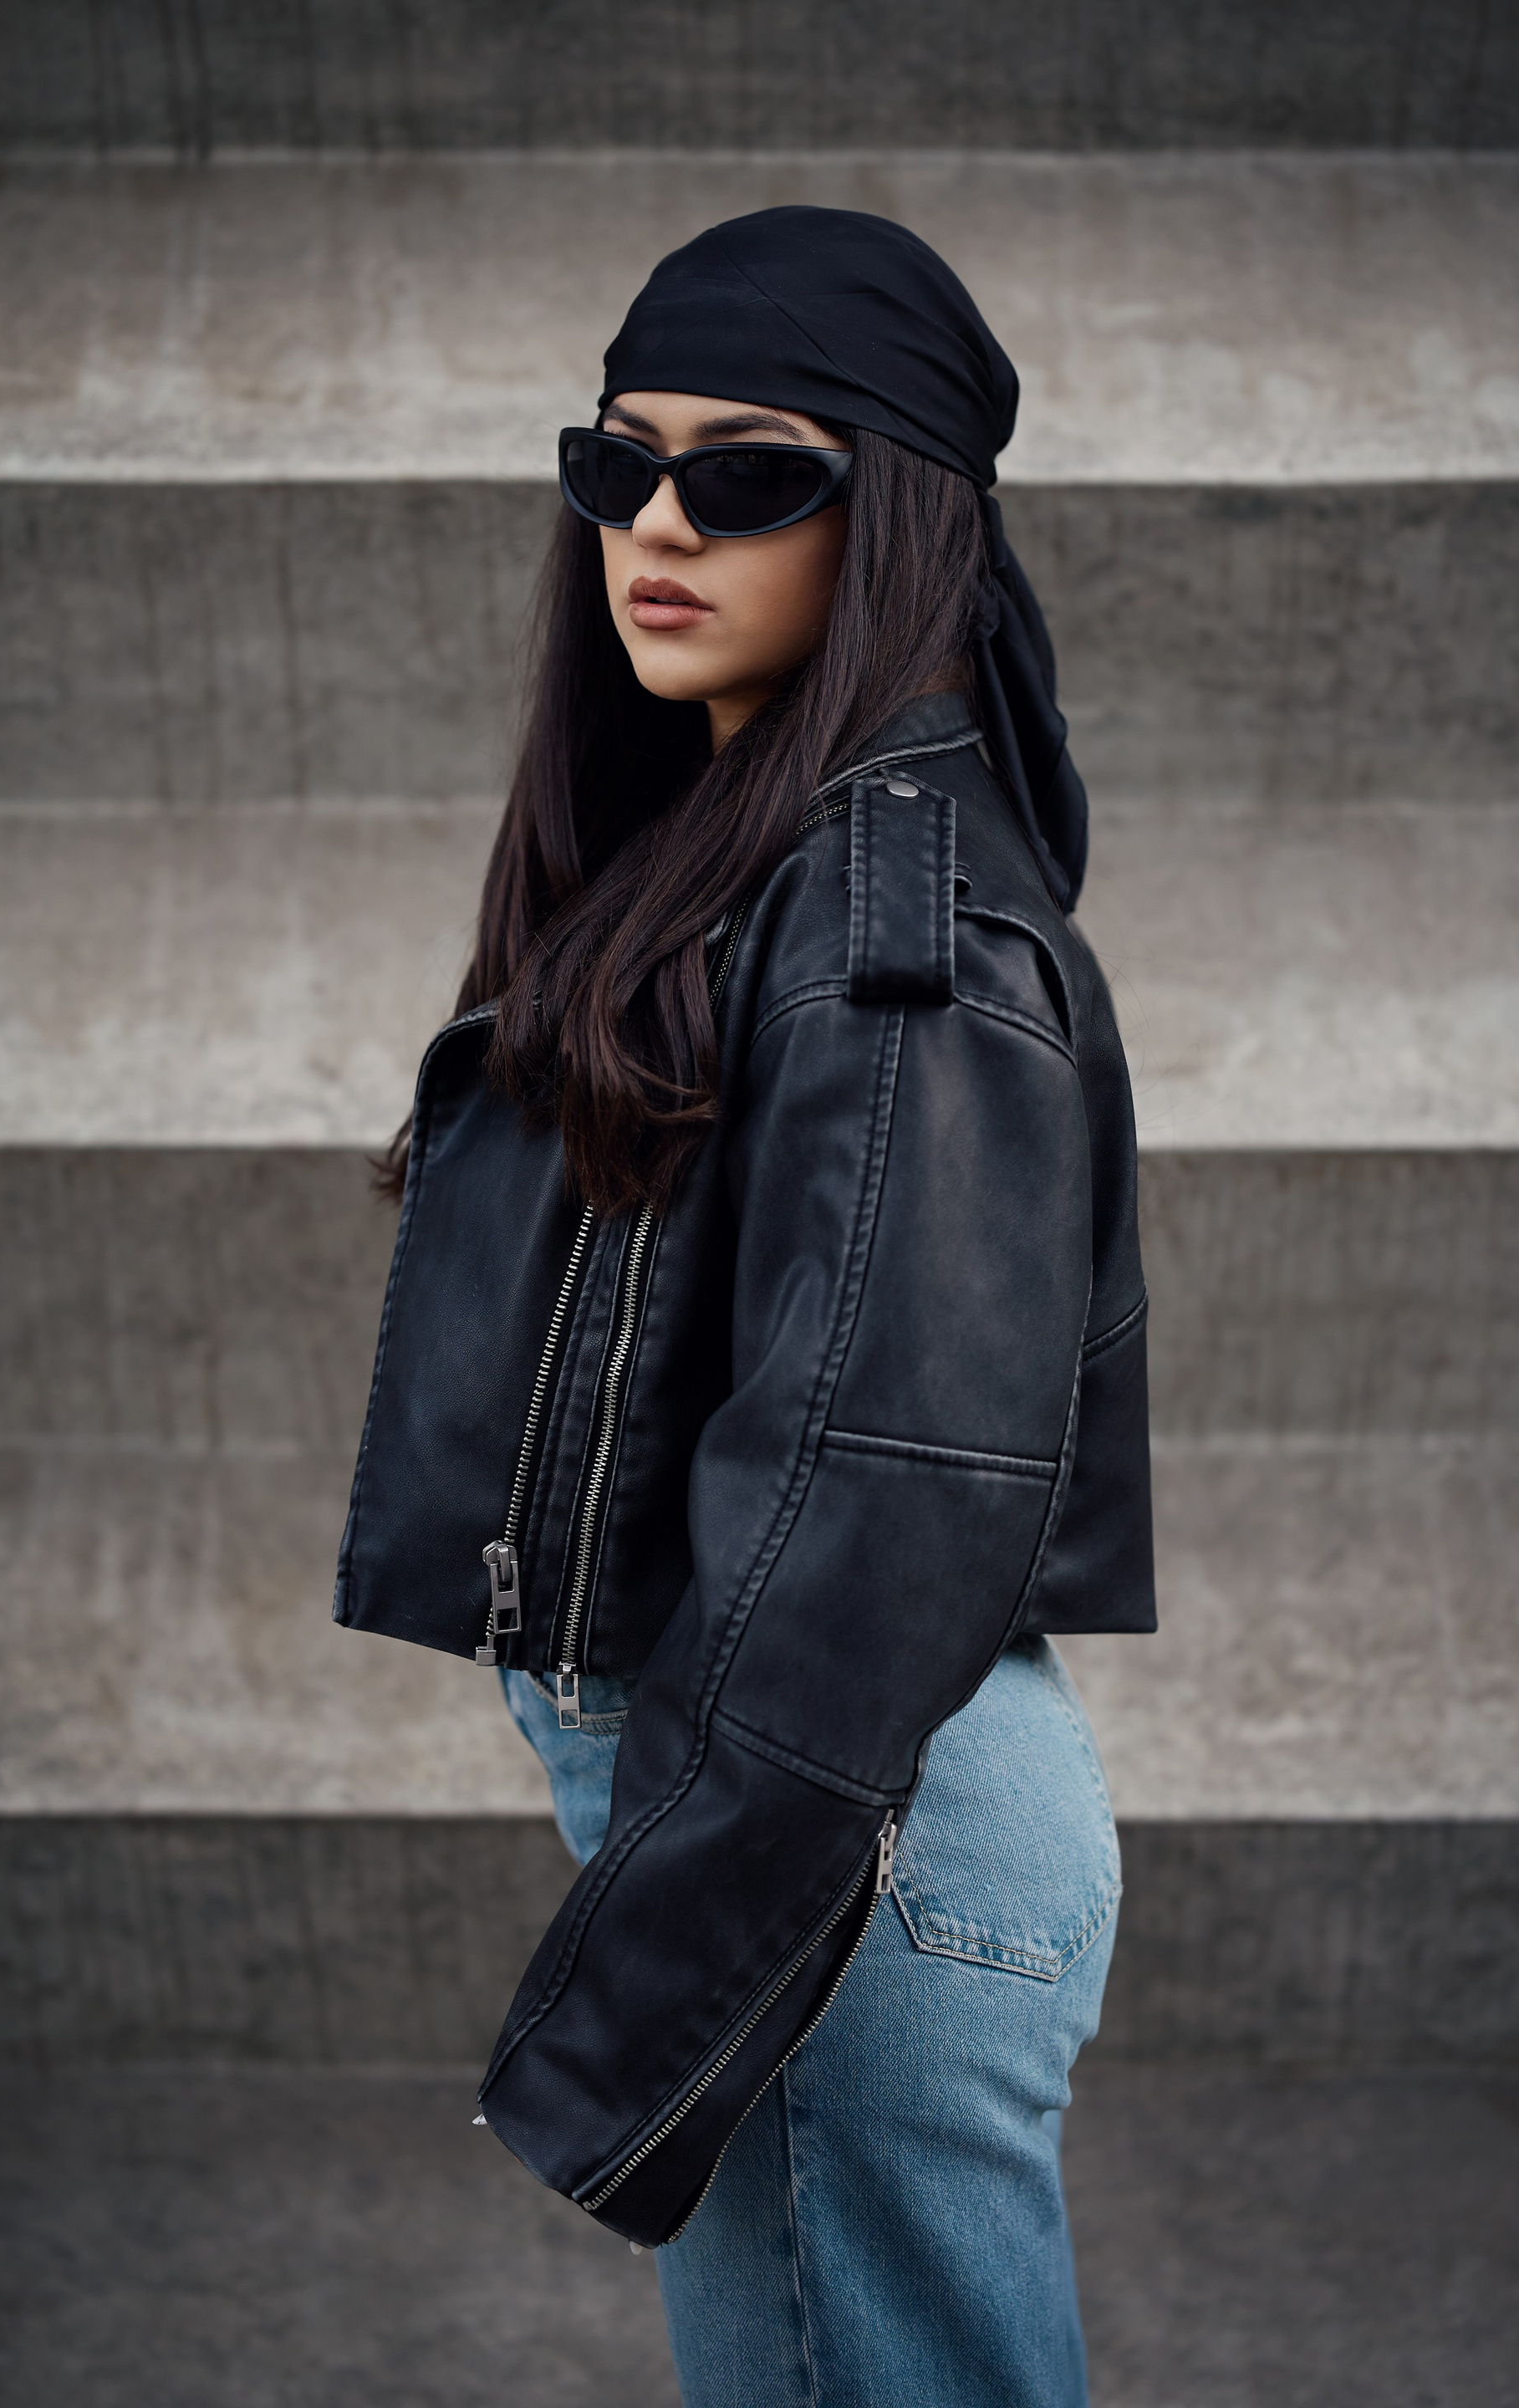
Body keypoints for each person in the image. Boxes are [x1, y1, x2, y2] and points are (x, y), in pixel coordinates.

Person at [336, 207, 1155, 2406]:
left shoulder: (907, 928)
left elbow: (890, 1495)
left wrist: (661, 1973)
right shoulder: (753, 858)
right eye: (619, 464)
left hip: (839, 1833)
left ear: (903, 518)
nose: (661, 525)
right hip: (798, 1813)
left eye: (753, 473)